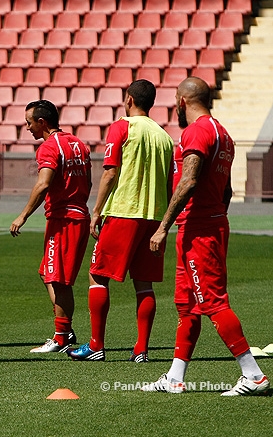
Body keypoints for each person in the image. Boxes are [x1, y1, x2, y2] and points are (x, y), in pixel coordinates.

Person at [142, 77, 269, 396]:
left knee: (212, 302)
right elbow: (225, 189)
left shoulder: (196, 131)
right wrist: (213, 216)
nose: (174, 107)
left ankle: (253, 374)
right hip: (205, 225)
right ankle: (175, 376)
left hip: (199, 231)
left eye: (174, 101)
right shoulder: (223, 134)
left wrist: (163, 226)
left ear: (182, 102)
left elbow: (189, 181)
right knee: (187, 305)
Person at [68, 79, 174, 362]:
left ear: (129, 99)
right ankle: (141, 349)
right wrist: (164, 221)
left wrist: (97, 210)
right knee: (145, 284)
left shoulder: (122, 126)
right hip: (154, 217)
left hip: (124, 212)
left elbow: (110, 172)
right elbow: (168, 185)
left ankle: (95, 345)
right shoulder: (164, 137)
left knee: (97, 275)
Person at [10, 100, 92, 354]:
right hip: (78, 214)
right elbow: (88, 182)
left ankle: (60, 337)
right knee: (48, 272)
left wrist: (22, 215)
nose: (27, 128)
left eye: (29, 123)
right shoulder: (79, 144)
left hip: (63, 219)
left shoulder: (48, 148)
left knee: (58, 279)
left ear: (42, 122)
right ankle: (64, 328)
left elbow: (43, 183)